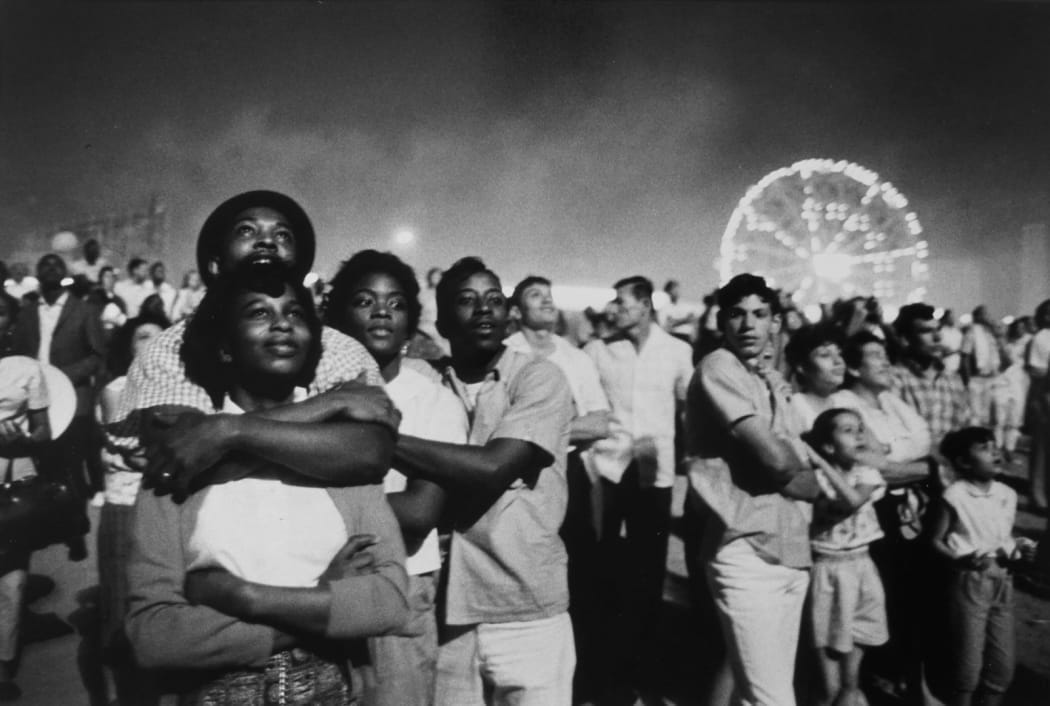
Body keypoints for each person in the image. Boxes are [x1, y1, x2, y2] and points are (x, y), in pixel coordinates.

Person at [124, 264, 410, 704]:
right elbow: (153, 634)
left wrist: (245, 597)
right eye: (259, 313)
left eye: (296, 314)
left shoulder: (344, 454)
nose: (282, 324)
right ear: (223, 347)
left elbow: (388, 600)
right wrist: (320, 600)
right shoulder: (184, 454)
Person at [105, 190, 398, 498]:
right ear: (215, 263)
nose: (268, 241)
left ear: (297, 265)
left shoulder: (339, 349)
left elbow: (367, 452)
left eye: (283, 235)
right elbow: (178, 455)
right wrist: (331, 404)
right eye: (247, 230)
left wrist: (221, 431)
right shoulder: (169, 348)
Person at [390, 257, 576, 706]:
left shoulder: (538, 377)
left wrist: (380, 441)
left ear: (510, 313)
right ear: (443, 320)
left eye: (494, 300)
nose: (485, 311)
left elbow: (493, 467)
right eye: (467, 301)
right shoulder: (426, 382)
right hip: (448, 615)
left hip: (525, 606)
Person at [325, 249, 469, 706]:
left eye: (396, 302)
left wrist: (313, 511)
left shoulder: (432, 402)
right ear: (339, 313)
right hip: (317, 582)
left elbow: (418, 514)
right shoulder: (310, 394)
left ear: (411, 321)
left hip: (401, 584)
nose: (382, 311)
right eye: (365, 300)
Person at [684, 273, 819, 706]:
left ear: (776, 323)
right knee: (773, 698)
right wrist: (801, 470)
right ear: (721, 322)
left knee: (756, 694)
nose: (748, 325)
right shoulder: (718, 366)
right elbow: (784, 463)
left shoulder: (767, 379)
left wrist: (797, 470)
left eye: (760, 314)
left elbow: (797, 469)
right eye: (737, 315)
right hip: (744, 548)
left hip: (790, 547)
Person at [582, 275, 692, 701]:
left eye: (622, 302)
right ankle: (603, 673)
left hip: (656, 472)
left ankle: (646, 672)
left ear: (645, 304)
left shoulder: (678, 351)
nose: (614, 309)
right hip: (608, 469)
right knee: (604, 565)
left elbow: (690, 408)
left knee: (651, 570)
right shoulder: (598, 351)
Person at [504, 274, 611, 700]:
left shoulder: (575, 357)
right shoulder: (507, 355)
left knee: (579, 575)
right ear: (516, 311)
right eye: (536, 296)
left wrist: (541, 431)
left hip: (570, 478)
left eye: (550, 297)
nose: (547, 303)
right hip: (516, 479)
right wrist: (565, 427)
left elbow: (600, 421)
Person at [928, 427, 1037, 706]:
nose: (995, 451)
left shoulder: (1006, 494)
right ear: (964, 462)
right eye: (985, 448)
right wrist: (959, 559)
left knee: (1002, 666)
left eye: (994, 446)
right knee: (968, 664)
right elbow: (935, 541)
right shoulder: (955, 495)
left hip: (1003, 579)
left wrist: (1019, 550)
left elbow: (1002, 536)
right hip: (970, 581)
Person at [95, 314, 169, 705]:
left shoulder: (177, 388)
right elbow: (142, 455)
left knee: (159, 613)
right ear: (128, 346)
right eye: (143, 338)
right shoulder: (119, 389)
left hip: (163, 507)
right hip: (126, 508)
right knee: (121, 613)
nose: (153, 345)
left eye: (161, 338)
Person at [802, 409, 889, 706]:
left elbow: (853, 500)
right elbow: (842, 502)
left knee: (850, 682)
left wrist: (822, 463)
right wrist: (823, 466)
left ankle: (850, 692)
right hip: (828, 570)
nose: (860, 435)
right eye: (849, 430)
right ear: (827, 445)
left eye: (861, 429)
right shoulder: (814, 479)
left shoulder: (866, 474)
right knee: (828, 681)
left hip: (863, 565)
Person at [10, 254, 106, 519]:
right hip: (37, 401)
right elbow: (18, 355)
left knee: (72, 462)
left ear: (65, 275)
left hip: (74, 398)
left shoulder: (84, 310)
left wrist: (61, 376)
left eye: (57, 265)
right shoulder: (27, 313)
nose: (51, 268)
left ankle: (76, 523)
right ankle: (49, 521)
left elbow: (98, 356)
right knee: (44, 462)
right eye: (45, 265)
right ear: (37, 275)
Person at [0, 290, 54, 701]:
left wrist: (23, 439)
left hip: (14, 483)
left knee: (12, 580)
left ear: (11, 321)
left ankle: (4, 664)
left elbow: (44, 431)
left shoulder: (26, 369)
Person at [784, 323, 847, 428]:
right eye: (825, 355)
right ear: (802, 367)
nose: (838, 361)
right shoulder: (794, 407)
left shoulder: (846, 402)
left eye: (839, 354)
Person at [1024, 299, 1050, 510]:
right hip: (1045, 398)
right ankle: (1038, 497)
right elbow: (1037, 372)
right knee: (1042, 451)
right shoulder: (1041, 338)